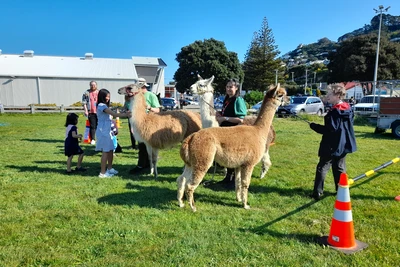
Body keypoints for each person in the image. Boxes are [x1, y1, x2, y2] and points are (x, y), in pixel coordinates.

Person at [309, 84, 357, 200]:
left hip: (331, 144)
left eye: (330, 94)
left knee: (323, 167)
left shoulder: (334, 112)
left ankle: (317, 193)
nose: (327, 96)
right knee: (339, 167)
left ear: (338, 95)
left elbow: (330, 130)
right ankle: (341, 191)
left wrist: (314, 126)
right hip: (343, 144)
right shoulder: (348, 108)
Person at [214, 78, 247, 188]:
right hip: (225, 132)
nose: (228, 89)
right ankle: (228, 178)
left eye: (231, 87)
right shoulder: (227, 99)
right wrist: (220, 113)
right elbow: (226, 113)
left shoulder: (238, 100)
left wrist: (225, 118)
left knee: (233, 155)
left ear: (236, 88)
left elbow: (241, 119)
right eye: (227, 87)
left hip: (234, 132)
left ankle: (233, 181)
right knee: (227, 154)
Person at [96, 88, 131, 178]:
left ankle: (110, 168)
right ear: (102, 97)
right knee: (105, 151)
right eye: (106, 97)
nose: (108, 98)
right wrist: (126, 115)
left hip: (108, 130)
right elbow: (114, 115)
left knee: (111, 149)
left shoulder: (105, 106)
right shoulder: (101, 105)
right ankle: (102, 173)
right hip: (103, 131)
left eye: (109, 97)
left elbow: (112, 112)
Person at [129, 78, 161, 174]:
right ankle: (143, 165)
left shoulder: (151, 95)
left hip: (149, 123)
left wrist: (149, 107)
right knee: (142, 146)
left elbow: (158, 110)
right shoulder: (134, 96)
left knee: (147, 145)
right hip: (138, 122)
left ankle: (146, 165)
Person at [82, 81, 99, 145]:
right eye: (92, 85)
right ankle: (93, 139)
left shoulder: (99, 92)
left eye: (94, 85)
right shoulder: (86, 93)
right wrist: (86, 110)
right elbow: (84, 103)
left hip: (98, 112)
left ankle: (99, 138)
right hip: (91, 112)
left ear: (96, 85)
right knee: (92, 126)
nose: (93, 86)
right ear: (90, 85)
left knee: (99, 126)